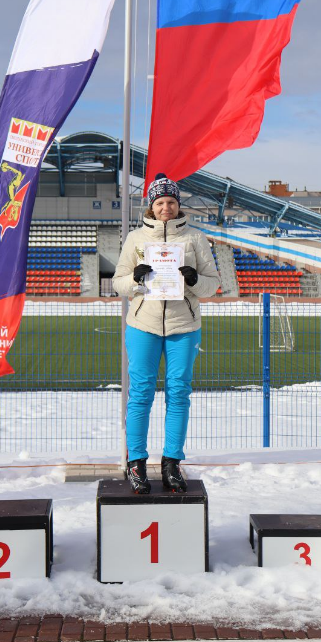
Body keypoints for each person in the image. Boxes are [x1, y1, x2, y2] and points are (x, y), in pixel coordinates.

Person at [113, 173, 220, 494]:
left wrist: (194, 280)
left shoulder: (195, 238)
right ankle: (136, 463)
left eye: (171, 201)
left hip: (183, 326)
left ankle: (172, 462)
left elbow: (213, 284)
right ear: (151, 206)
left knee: (178, 392)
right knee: (140, 393)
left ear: (178, 204)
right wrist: (135, 278)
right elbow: (118, 283)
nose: (166, 207)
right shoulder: (135, 238)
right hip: (142, 325)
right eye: (160, 202)